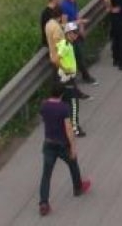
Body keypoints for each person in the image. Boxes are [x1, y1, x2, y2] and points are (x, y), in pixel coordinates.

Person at [37, 82, 90, 217]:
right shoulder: (63, 108)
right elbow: (68, 129)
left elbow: (43, 117)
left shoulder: (44, 105)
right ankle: (78, 188)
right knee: (73, 163)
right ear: (61, 94)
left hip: (48, 144)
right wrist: (73, 146)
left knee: (46, 175)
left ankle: (44, 203)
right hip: (62, 144)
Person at [54, 22, 88, 137]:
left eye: (77, 33)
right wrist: (65, 69)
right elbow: (56, 60)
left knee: (66, 104)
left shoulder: (69, 44)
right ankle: (75, 129)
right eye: (74, 33)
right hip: (66, 78)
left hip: (69, 78)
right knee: (74, 103)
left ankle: (65, 128)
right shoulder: (65, 45)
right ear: (68, 33)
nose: (76, 35)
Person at [59, 0, 97, 85]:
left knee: (80, 56)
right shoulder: (64, 7)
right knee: (78, 56)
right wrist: (76, 28)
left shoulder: (73, 3)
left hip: (76, 33)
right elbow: (64, 25)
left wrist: (81, 28)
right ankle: (84, 77)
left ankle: (80, 76)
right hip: (70, 36)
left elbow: (77, 16)